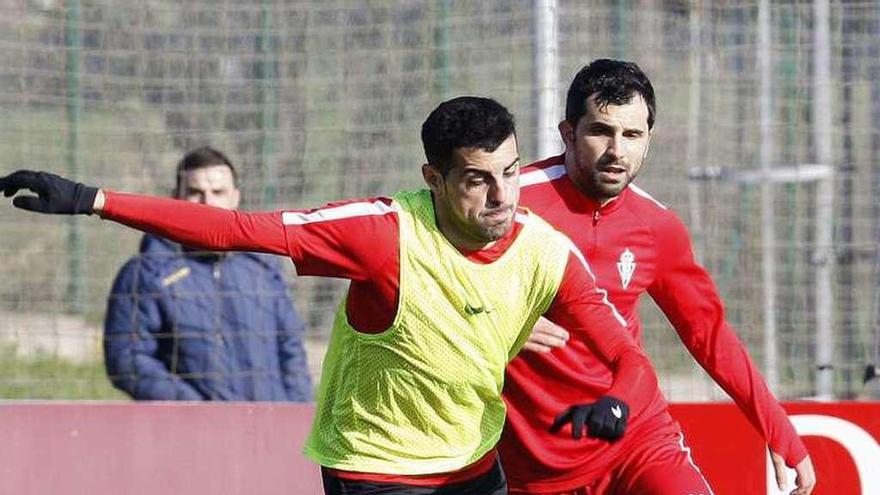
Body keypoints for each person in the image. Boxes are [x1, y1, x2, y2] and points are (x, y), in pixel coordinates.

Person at [0, 96, 660, 495]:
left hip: (473, 464)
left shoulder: (543, 251)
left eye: (511, 173)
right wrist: (96, 201)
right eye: (477, 180)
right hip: (374, 468)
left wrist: (615, 404)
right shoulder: (380, 234)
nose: (501, 197)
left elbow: (630, 361)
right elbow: (236, 229)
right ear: (433, 177)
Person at [501, 59, 816, 495]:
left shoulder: (656, 226)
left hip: (635, 440)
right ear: (568, 133)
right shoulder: (507, 204)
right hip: (529, 464)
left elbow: (708, 332)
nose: (617, 151)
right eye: (601, 132)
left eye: (632, 135)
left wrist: (775, 424)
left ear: (649, 140)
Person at [103, 146, 313, 402]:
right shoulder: (147, 273)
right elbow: (126, 358)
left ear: (235, 198)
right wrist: (195, 408)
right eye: (195, 192)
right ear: (175, 198)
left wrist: (295, 415)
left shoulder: (263, 268)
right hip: (193, 434)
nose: (208, 202)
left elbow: (291, 351)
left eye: (218, 192)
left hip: (268, 431)